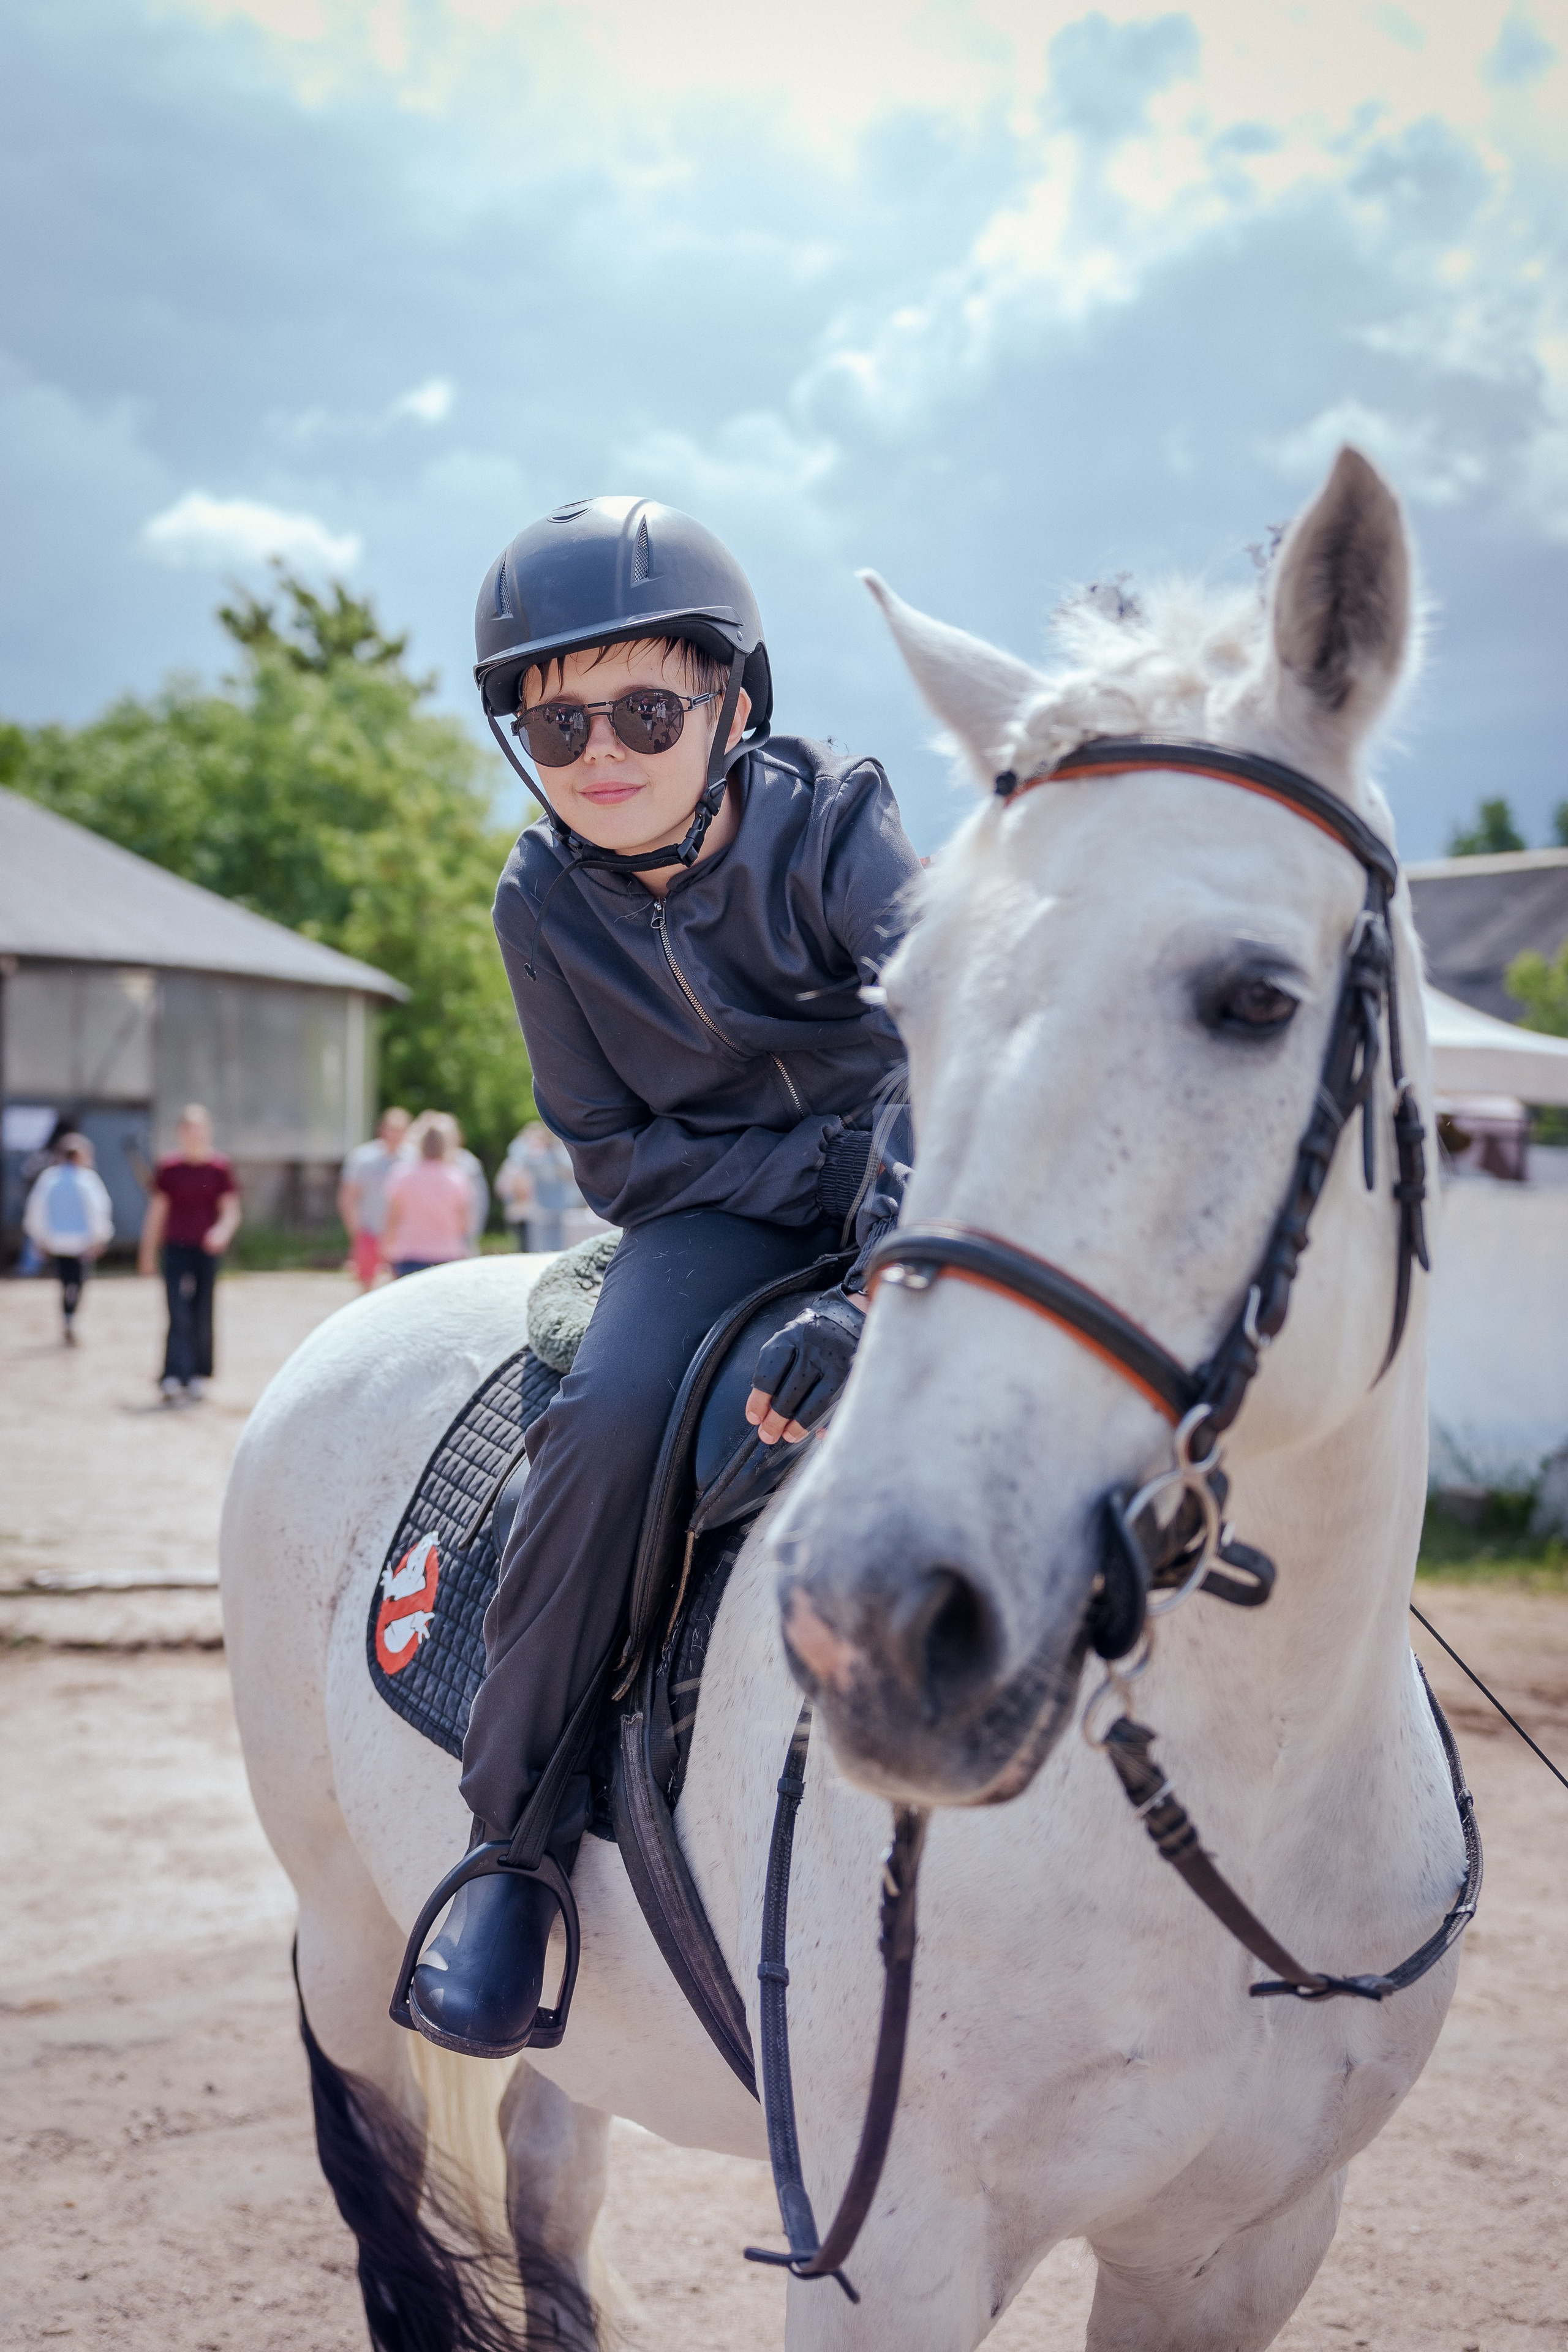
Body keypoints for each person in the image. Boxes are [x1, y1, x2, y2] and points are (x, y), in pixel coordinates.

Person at [405, 495, 918, 2060]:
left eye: (644, 707)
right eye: (554, 724)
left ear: (733, 703)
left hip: (920, 1176)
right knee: (613, 1416)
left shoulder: (832, 821)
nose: (600, 751)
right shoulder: (535, 900)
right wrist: (801, 1198)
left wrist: (879, 1258)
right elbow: (614, 1156)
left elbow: (950, 1041)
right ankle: (510, 1846)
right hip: (714, 1221)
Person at [137, 1105, 242, 1402]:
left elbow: (231, 1211)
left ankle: (198, 1373)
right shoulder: (169, 1169)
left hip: (205, 1251)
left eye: (200, 1128)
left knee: (202, 1309)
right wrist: (147, 1252)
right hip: (175, 1248)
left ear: (208, 1131)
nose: (195, 1135)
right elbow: (157, 1212)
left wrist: (221, 1232)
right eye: (189, 1129)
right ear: (180, 1133)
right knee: (176, 1310)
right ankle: (172, 1373)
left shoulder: (219, 1168)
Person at [23, 1134, 115, 1344]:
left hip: (57, 1241)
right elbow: (99, 1210)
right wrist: (100, 1238)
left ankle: (67, 1317)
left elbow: (36, 1210)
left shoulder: (49, 1178)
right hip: (81, 1242)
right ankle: (72, 1316)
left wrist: (39, 1238)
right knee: (79, 1281)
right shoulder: (88, 1179)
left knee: (64, 1282)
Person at [381, 1114, 473, 1276]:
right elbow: (464, 1223)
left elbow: (393, 1218)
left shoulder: (402, 1175)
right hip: (447, 1254)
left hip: (409, 1253)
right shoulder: (457, 1177)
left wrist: (386, 1249)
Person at [337, 1106, 412, 1289]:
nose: (395, 1135)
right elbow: (348, 1197)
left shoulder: (413, 1159)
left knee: (402, 1287)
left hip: (403, 1235)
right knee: (366, 1286)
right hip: (370, 1230)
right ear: (382, 1129)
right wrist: (356, 1231)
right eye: (392, 1129)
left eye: (400, 1130)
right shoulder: (364, 1158)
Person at [496, 1120, 581, 1253]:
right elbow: (505, 1187)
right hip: (535, 1215)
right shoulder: (521, 1160)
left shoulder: (556, 1157)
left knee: (560, 1249)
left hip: (559, 1211)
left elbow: (571, 1176)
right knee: (535, 1251)